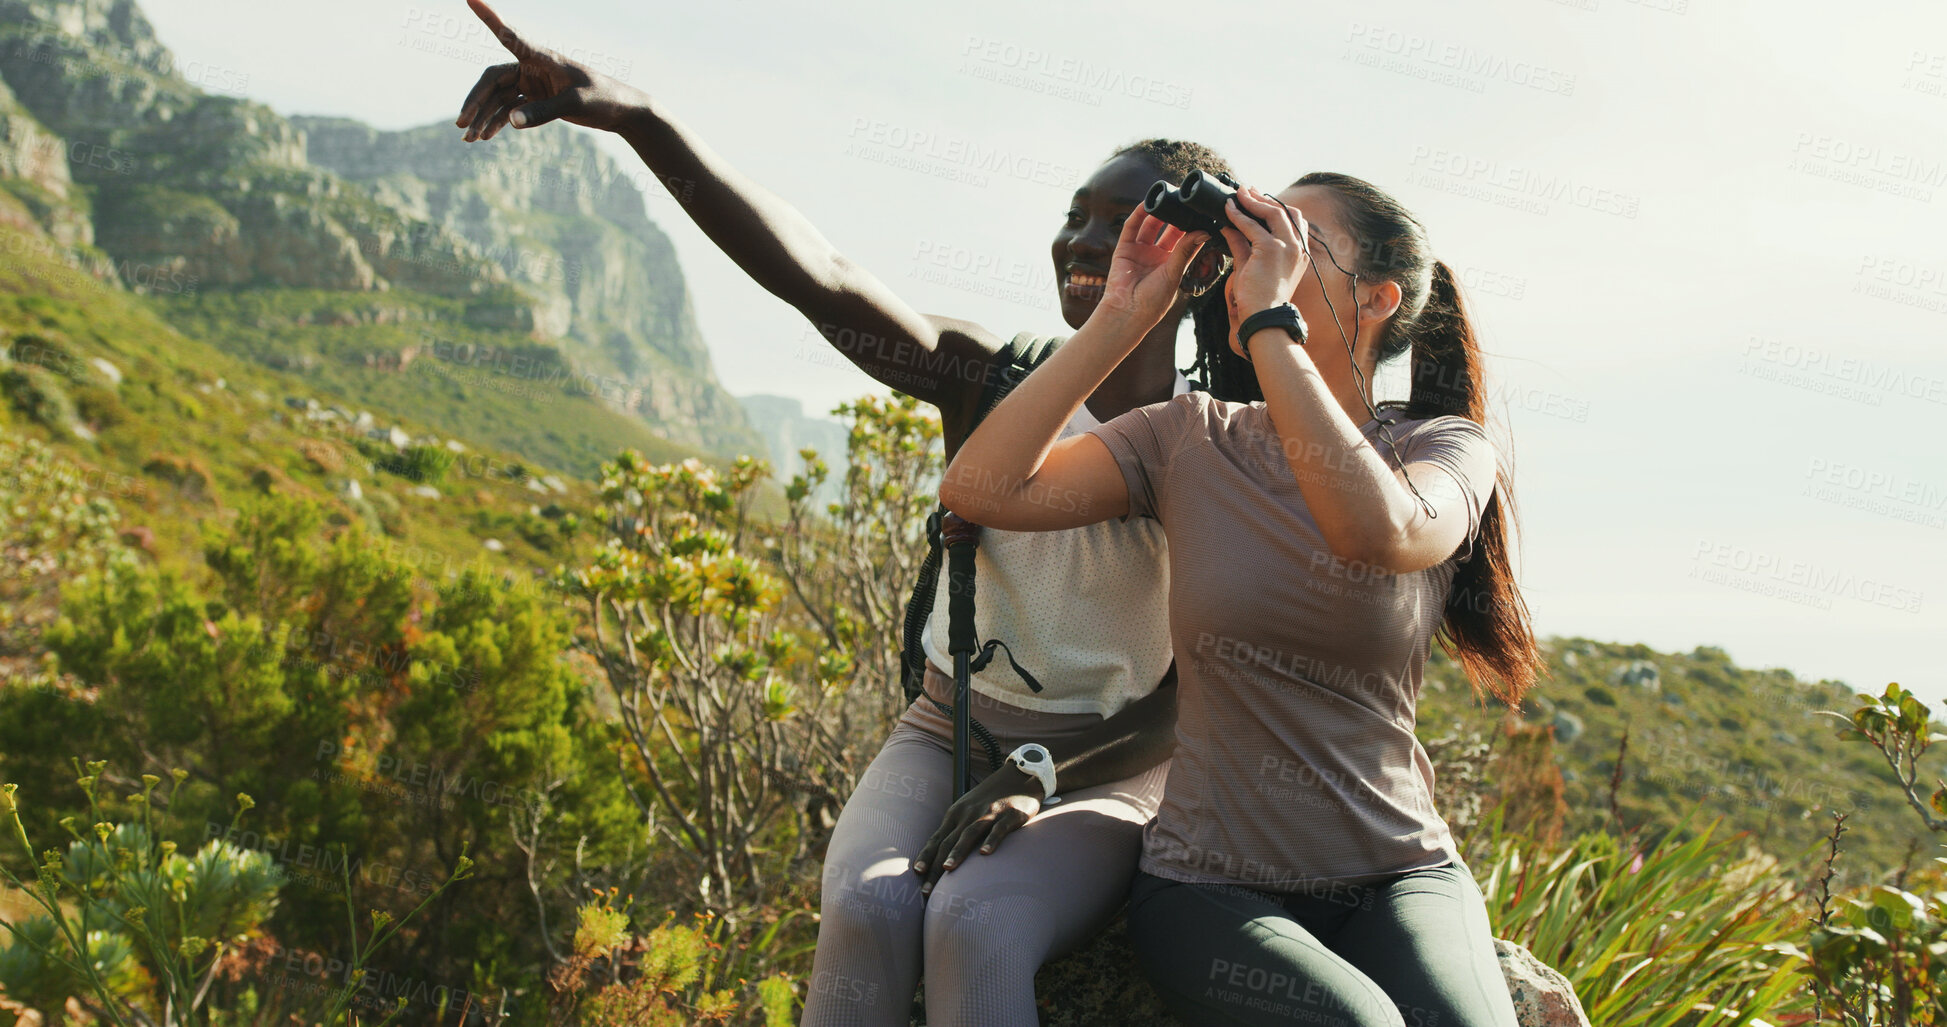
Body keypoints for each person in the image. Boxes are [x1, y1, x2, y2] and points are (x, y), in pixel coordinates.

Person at [448, 3, 1239, 1023]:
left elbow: (1199, 693)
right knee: (869, 908)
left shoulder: (1220, 445)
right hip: (943, 728)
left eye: (1121, 221)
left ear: (1201, 261)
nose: (1082, 240)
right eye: (1075, 214)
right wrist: (638, 116)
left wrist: (1043, 771)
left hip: (1107, 766)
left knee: (977, 922)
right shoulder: (985, 382)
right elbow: (819, 276)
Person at [939, 172, 1545, 1026]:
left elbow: (1379, 531)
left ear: (1376, 299)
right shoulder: (1192, 437)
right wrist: (1121, 314)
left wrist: (1270, 328)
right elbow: (980, 487)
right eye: (1253, 242)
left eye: (1295, 242)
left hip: (1398, 872)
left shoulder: (1440, 448)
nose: (1257, 264)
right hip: (1213, 884)